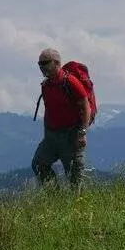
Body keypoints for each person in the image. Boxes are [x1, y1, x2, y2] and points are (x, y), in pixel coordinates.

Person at [31, 48, 91, 188]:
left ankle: (77, 201)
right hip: (52, 136)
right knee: (39, 164)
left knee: (75, 178)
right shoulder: (46, 85)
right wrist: (47, 134)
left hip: (71, 135)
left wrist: (82, 133)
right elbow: (49, 110)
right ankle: (55, 196)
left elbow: (86, 107)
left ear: (57, 63)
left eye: (45, 63)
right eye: (39, 63)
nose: (41, 67)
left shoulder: (70, 82)